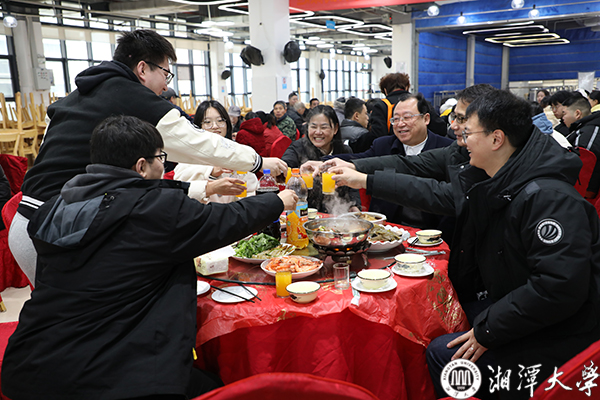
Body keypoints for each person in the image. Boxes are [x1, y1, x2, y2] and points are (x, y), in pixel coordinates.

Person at [1, 115, 298, 400]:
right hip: (113, 378)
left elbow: (139, 194)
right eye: (161, 158)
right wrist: (275, 201)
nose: (164, 165)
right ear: (142, 165)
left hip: (32, 366)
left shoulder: (59, 204)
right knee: (222, 388)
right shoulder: (154, 210)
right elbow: (224, 220)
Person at [332, 90, 600, 400]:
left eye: (467, 129)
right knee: (447, 316)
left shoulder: (547, 198)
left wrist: (489, 330)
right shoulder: (504, 177)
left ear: (496, 139)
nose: (460, 137)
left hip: (564, 335)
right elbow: (416, 171)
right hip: (528, 307)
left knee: (440, 353)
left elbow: (558, 287)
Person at [9, 29, 286, 285]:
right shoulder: (135, 99)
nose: (166, 87)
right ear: (143, 68)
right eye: (166, 74)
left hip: (34, 221)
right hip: (55, 228)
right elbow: (197, 143)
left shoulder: (80, 95)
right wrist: (259, 162)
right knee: (78, 319)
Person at [302, 84, 496, 310]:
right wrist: (347, 163)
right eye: (395, 119)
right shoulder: (456, 149)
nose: (453, 125)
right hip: (395, 238)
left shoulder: (462, 152)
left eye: (461, 119)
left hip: (456, 256)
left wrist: (366, 180)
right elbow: (405, 164)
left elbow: (439, 193)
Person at [335, 93, 452, 228]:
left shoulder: (445, 148)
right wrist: (323, 162)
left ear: (426, 119)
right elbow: (360, 159)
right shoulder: (383, 145)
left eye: (407, 117)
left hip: (431, 231)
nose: (400, 124)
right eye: (396, 119)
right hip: (388, 228)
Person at [282, 105, 360, 213]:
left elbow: (352, 184)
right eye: (313, 127)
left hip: (338, 213)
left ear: (335, 128)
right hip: (305, 213)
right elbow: (285, 167)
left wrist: (354, 204)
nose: (318, 132)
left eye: (324, 127)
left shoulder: (344, 152)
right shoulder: (297, 148)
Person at [175, 100, 252, 202]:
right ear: (198, 126)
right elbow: (180, 181)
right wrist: (210, 171)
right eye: (207, 122)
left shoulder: (235, 150)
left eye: (220, 121)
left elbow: (251, 186)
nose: (215, 126)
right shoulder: (191, 153)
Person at [562, 93, 600, 198]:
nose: (562, 118)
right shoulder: (586, 129)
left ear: (577, 114)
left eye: (564, 113)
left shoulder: (587, 135)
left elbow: (585, 172)